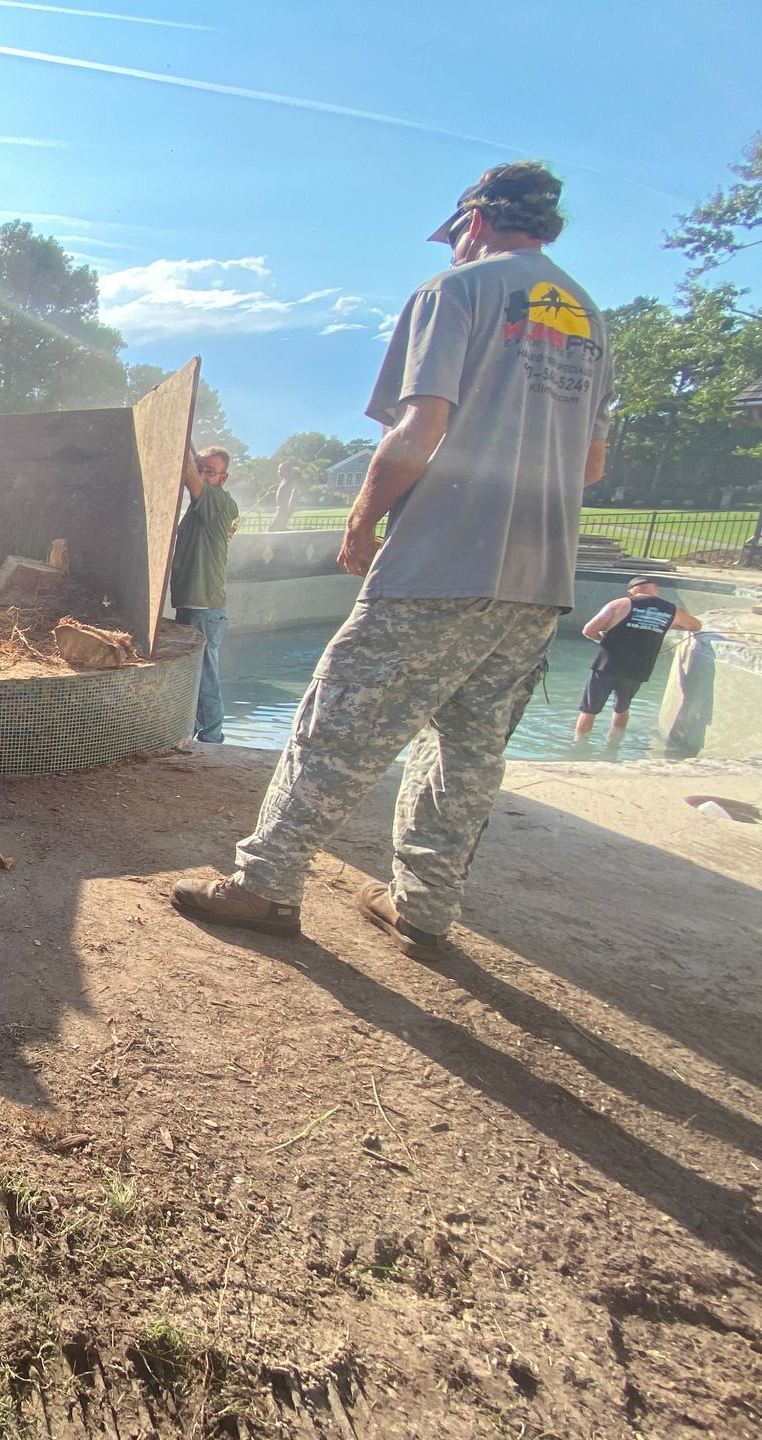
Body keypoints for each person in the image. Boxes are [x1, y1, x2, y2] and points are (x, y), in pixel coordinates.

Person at [171, 160, 613, 961]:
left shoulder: (457, 293)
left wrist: (363, 524)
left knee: (333, 726)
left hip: (442, 562)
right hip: (541, 580)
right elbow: (590, 468)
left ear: (474, 222)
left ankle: (266, 886)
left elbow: (418, 430)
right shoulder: (589, 319)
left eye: (457, 235)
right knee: (467, 750)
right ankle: (424, 907)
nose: (454, 248)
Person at [574, 575, 699, 743]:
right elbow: (695, 626)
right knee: (622, 708)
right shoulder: (671, 610)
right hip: (639, 668)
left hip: (608, 664)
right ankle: (614, 744)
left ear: (631, 592)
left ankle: (579, 745)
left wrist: (602, 638)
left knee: (589, 710)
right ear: (655, 589)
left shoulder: (620, 604)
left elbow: (588, 630)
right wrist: (662, 624)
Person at [170, 445, 238, 744]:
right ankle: (198, 733)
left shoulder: (219, 503)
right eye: (200, 467)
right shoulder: (200, 507)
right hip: (193, 604)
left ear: (222, 479)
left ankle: (211, 739)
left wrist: (180, 433)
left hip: (204, 607)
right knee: (197, 676)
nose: (201, 474)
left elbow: (187, 475)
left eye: (209, 471)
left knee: (205, 676)